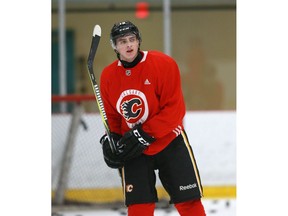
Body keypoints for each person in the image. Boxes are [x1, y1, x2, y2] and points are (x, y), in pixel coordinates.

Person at [99, 21, 206, 216]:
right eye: (122, 41)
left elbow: (175, 110)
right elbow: (113, 115)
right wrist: (112, 138)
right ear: (115, 46)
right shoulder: (108, 76)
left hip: (169, 141)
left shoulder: (163, 64)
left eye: (132, 39)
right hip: (133, 149)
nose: (129, 45)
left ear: (139, 41)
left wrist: (144, 133)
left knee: (188, 202)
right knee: (139, 207)